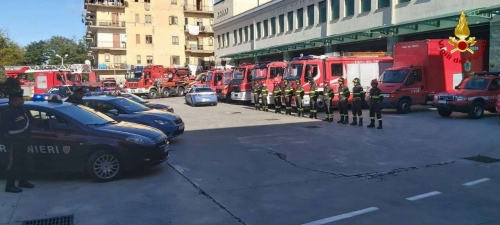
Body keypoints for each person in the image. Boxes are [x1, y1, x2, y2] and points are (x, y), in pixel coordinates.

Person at [1, 89, 35, 193]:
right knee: (12, 163)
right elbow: (4, 128)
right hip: (13, 141)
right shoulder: (8, 112)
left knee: (23, 162)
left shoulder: (20, 110)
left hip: (22, 141)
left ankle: (23, 181)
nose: (23, 100)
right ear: (15, 100)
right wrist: (8, 137)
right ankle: (10, 185)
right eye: (21, 99)